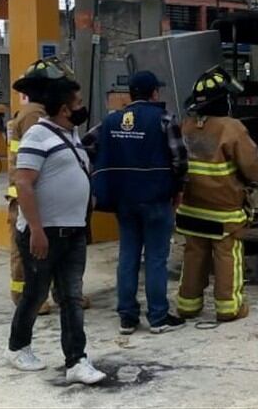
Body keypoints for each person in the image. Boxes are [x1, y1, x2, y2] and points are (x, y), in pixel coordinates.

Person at [5, 75, 105, 385]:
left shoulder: (71, 134)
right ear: (64, 108)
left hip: (73, 232)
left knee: (72, 297)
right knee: (34, 295)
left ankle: (76, 359)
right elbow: (23, 182)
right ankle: (17, 346)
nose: (82, 109)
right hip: (44, 233)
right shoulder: (38, 135)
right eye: (78, 104)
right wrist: (36, 230)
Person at [92, 71, 188, 335]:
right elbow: (180, 160)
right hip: (157, 199)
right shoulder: (165, 120)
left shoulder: (111, 121)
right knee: (156, 259)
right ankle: (158, 317)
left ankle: (127, 317)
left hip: (124, 200)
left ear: (130, 94)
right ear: (154, 93)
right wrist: (178, 188)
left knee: (128, 256)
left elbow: (87, 145)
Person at [175, 68, 258, 322]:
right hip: (224, 211)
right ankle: (229, 308)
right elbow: (253, 168)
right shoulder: (231, 128)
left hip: (191, 209)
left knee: (193, 255)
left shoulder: (187, 126)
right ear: (223, 100)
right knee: (227, 257)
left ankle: (188, 305)